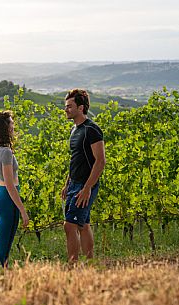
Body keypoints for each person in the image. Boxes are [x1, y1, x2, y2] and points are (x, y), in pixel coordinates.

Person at [61, 89, 106, 263]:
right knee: (83, 224)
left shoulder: (92, 130)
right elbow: (75, 159)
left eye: (69, 106)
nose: (66, 110)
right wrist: (67, 184)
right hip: (74, 184)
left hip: (86, 185)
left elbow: (100, 161)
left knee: (69, 225)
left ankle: (72, 265)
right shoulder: (75, 129)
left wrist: (87, 188)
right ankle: (90, 263)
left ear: (81, 108)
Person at [0, 111, 29, 268]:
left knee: (1, 238)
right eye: (11, 123)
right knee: (5, 242)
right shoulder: (6, 152)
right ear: (5, 128)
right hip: (6, 197)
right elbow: (10, 185)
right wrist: (23, 211)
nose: (13, 126)